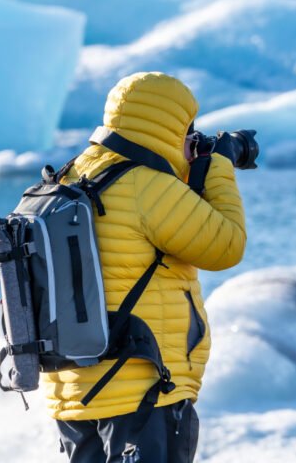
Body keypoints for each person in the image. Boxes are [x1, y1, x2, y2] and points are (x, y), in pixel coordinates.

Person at [45, 71, 247, 462]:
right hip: (142, 391)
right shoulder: (146, 186)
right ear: (169, 127)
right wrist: (218, 167)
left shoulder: (70, 177)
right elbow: (226, 246)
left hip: (72, 395)